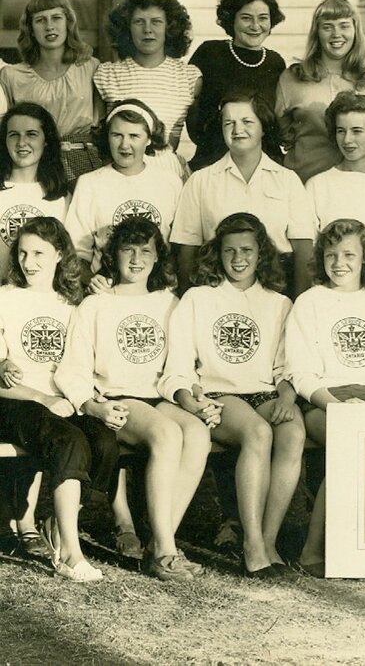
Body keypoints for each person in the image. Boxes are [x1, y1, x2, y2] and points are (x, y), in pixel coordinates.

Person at [55, 217, 210, 581]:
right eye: (128, 250)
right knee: (168, 434)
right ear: (114, 255)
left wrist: (192, 397)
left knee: (198, 433)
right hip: (120, 399)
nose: (136, 260)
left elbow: (179, 367)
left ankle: (159, 541)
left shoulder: (168, 303)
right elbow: (72, 370)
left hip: (161, 396)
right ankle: (167, 552)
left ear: (158, 258)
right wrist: (92, 405)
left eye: (146, 252)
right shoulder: (95, 305)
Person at [161, 212, 303, 579]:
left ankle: (269, 541)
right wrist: (189, 397)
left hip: (266, 393)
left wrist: (287, 398)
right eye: (229, 251)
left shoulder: (278, 303)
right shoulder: (197, 298)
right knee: (258, 433)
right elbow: (177, 365)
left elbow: (285, 369)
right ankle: (252, 547)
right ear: (217, 254)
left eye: (247, 250)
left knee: (293, 432)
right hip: (220, 394)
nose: (238, 259)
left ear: (262, 254)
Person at [0, 217, 117, 582]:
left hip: (60, 400)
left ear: (60, 255)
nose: (28, 262)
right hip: (14, 401)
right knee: (66, 440)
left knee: (103, 440)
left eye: (39, 253)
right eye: (22, 253)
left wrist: (83, 400)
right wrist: (40, 397)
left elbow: (81, 365)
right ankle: (70, 553)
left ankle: (58, 522)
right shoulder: (4, 297)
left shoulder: (72, 304)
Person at [286, 219, 365, 577]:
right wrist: (337, 406)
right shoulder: (310, 302)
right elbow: (300, 373)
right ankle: (312, 552)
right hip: (325, 401)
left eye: (349, 254)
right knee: (351, 447)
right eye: (331, 255)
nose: (339, 263)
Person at [170, 92, 313, 296]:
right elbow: (187, 249)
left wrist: (299, 304)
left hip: (277, 289)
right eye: (229, 123)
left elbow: (304, 249)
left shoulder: (288, 180)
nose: (238, 130)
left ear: (263, 127)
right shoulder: (200, 181)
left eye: (247, 121)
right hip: (216, 287)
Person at [66, 100, 183, 280]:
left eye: (134, 136)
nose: (124, 145)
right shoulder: (89, 183)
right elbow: (76, 252)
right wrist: (94, 283)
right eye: (117, 135)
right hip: (106, 291)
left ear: (149, 138)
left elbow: (180, 248)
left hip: (160, 288)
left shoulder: (171, 182)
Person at [276, 0, 365, 182]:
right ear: (317, 33)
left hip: (360, 183)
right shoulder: (292, 78)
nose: (336, 34)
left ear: (355, 30)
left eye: (344, 26)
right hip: (304, 179)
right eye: (327, 27)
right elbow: (281, 131)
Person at [1, 0, 102, 183]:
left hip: (84, 161)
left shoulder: (90, 68)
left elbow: (103, 124)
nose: (49, 27)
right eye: (40, 20)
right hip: (34, 164)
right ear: (30, 28)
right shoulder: (12, 76)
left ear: (68, 23)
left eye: (56, 18)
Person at [187, 0, 287, 171]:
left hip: (264, 163)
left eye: (263, 18)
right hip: (214, 160)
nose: (256, 26)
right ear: (231, 20)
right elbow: (191, 109)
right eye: (246, 18)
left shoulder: (276, 62)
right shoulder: (210, 53)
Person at [95, 0, 201, 156]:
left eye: (156, 21)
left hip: (165, 169)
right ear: (127, 28)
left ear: (170, 27)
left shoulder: (188, 77)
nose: (147, 30)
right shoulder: (107, 74)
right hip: (118, 171)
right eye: (139, 22)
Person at [305, 92, 365, 274]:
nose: (347, 140)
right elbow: (311, 254)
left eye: (357, 131)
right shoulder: (317, 186)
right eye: (341, 131)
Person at [0, 103, 69, 280]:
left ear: (46, 140)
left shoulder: (61, 197)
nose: (21, 143)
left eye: (31, 134)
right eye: (13, 135)